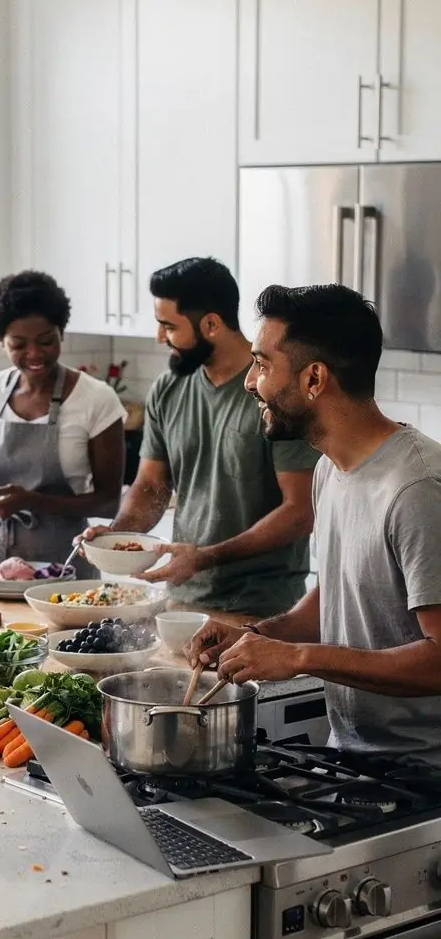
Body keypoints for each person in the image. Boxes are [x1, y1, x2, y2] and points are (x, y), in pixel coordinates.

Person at [189, 283, 441, 757]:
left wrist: (300, 658)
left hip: (426, 776)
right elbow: (340, 594)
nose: (249, 382)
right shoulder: (330, 467)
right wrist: (258, 636)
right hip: (356, 755)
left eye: (262, 365)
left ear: (314, 379)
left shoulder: (417, 489)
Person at [83, 257, 317, 617]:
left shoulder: (274, 391)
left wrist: (205, 558)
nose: (160, 337)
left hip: (263, 609)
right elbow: (150, 486)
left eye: (168, 326)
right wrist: (116, 539)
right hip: (182, 602)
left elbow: (301, 512)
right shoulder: (169, 387)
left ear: (211, 324)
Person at [0, 270, 125, 573]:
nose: (34, 354)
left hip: (64, 564)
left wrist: (32, 501)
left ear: (61, 333)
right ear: (1, 341)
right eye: (18, 344)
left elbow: (108, 502)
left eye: (46, 341)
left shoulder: (96, 399)